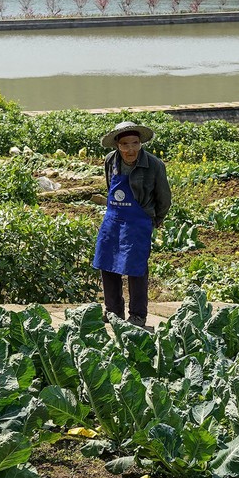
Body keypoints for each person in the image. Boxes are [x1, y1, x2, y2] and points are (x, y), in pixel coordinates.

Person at [92, 120, 170, 328]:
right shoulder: (110, 161)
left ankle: (137, 315)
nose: (130, 149)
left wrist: (153, 221)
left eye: (135, 143)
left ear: (140, 143)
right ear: (117, 145)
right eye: (125, 144)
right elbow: (111, 187)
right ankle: (113, 310)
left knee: (136, 268)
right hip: (114, 219)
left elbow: (164, 199)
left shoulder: (153, 165)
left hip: (138, 221)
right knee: (107, 265)